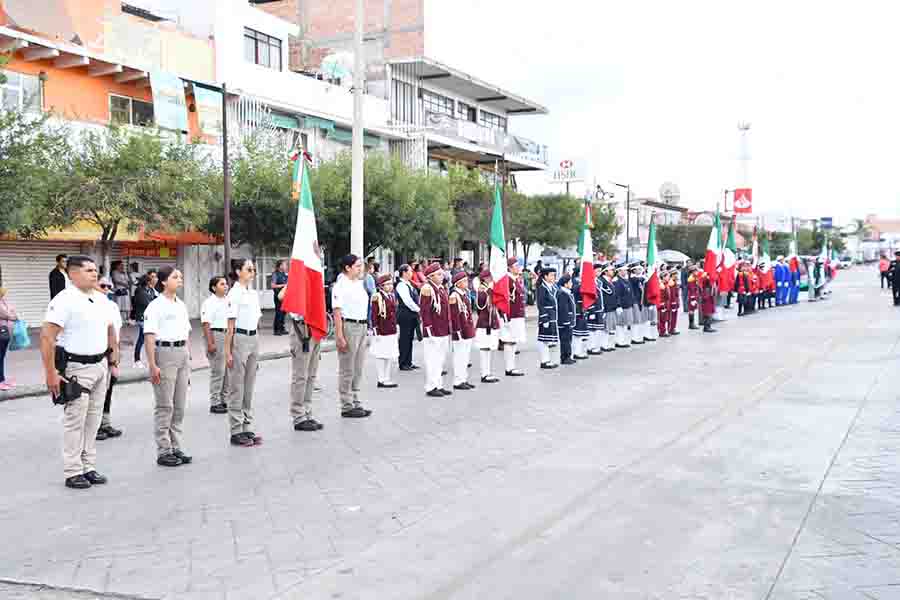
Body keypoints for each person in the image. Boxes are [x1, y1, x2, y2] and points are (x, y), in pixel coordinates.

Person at [41, 255, 119, 489]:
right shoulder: (64, 300)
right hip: (76, 368)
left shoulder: (100, 299)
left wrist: (113, 354)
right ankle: (73, 470)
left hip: (100, 365)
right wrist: (51, 373)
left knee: (93, 420)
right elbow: (47, 337)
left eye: (95, 270)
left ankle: (89, 466)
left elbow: (109, 327)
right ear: (73, 274)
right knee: (75, 420)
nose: (94, 274)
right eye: (88, 270)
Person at [143, 267, 192, 467]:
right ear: (163, 281)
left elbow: (186, 333)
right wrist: (152, 364)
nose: (179, 280)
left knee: (179, 405)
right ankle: (164, 450)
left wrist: (188, 359)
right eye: (175, 277)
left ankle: (176, 446)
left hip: (181, 354)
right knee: (165, 405)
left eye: (180, 276)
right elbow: (149, 336)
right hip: (164, 353)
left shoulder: (180, 304)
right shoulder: (155, 306)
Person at [225, 259, 265, 446]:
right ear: (238, 271)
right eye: (249, 269)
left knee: (249, 385)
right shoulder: (234, 293)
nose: (252, 272)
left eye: (254, 269)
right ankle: (236, 430)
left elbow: (256, 320)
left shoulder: (253, 293)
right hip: (239, 339)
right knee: (237, 387)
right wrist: (228, 352)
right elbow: (230, 326)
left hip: (253, 338)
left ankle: (246, 427)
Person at [332, 254, 374, 418]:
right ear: (347, 268)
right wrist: (339, 335)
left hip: (362, 325)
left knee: (358, 367)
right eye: (357, 266)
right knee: (347, 368)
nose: (360, 268)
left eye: (361, 266)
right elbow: (337, 311)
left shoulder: (359, 284)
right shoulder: (340, 285)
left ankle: (356, 400)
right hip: (349, 326)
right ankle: (346, 404)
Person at [94, 278, 123, 441]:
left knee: (108, 389)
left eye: (108, 286)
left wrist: (116, 358)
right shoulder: (91, 305)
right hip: (98, 352)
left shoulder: (112, 306)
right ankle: (94, 425)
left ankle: (105, 423)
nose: (106, 289)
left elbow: (116, 331)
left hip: (112, 351)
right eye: (102, 285)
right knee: (96, 392)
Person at [420, 262, 453, 397]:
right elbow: (425, 312)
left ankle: (438, 384)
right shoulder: (427, 289)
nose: (442, 276)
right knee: (432, 359)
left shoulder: (440, 288)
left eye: (441, 273)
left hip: (442, 329)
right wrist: (428, 330)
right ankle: (431, 386)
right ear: (430, 276)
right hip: (433, 330)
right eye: (439, 274)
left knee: (440, 360)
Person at [202, 276, 230, 414]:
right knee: (218, 371)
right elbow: (206, 324)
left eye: (226, 284)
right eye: (222, 284)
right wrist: (210, 343)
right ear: (214, 287)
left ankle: (224, 399)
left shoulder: (228, 301)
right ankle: (215, 402)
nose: (226, 286)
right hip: (216, 334)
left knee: (227, 371)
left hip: (228, 335)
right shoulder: (209, 302)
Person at [370, 273, 399, 389]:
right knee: (381, 355)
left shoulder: (391, 296)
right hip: (382, 330)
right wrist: (375, 329)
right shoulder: (377, 297)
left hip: (391, 329)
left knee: (389, 355)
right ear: (381, 286)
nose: (390, 286)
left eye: (391, 284)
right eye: (387, 284)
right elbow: (374, 315)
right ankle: (381, 379)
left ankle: (386, 378)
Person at [498, 258, 526, 377]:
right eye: (516, 265)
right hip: (510, 316)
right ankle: (509, 368)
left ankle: (512, 366)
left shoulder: (514, 280)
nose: (518, 267)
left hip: (517, 315)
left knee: (513, 341)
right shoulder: (507, 280)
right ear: (509, 267)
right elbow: (503, 300)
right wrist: (505, 317)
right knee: (509, 341)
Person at [449, 271, 476, 390]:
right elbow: (454, 317)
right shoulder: (454, 296)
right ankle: (458, 381)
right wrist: (457, 332)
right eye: (464, 281)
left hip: (467, 329)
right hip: (460, 332)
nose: (467, 283)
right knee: (459, 357)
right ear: (458, 284)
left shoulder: (464, 294)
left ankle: (463, 379)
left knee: (465, 357)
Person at [473, 270, 501, 383]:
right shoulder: (482, 291)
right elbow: (480, 306)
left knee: (488, 349)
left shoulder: (489, 290)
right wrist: (488, 291)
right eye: (489, 277)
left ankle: (487, 372)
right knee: (484, 348)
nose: (491, 279)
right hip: (485, 323)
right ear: (484, 279)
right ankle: (484, 374)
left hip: (491, 321)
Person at [395, 264, 420, 371]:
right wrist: (419, 309)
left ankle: (408, 362)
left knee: (409, 339)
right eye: (410, 271)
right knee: (404, 339)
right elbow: (408, 301)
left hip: (411, 314)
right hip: (405, 314)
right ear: (404, 273)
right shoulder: (401, 285)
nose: (411, 273)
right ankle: (403, 362)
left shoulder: (408, 283)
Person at [131, 270, 157, 368]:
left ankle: (141, 360)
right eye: (151, 280)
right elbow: (149, 304)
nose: (153, 281)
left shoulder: (148, 290)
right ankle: (137, 360)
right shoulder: (141, 291)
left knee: (146, 339)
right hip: (142, 318)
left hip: (147, 319)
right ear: (147, 282)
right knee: (142, 340)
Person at [536, 266, 560, 369]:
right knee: (544, 339)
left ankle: (548, 359)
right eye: (551, 275)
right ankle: (544, 361)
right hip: (546, 317)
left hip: (553, 316)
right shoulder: (542, 287)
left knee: (549, 339)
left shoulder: (554, 287)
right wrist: (544, 318)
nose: (554, 277)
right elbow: (540, 304)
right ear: (545, 276)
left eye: (554, 275)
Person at [556, 274, 576, 365]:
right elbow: (563, 309)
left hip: (568, 321)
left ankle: (567, 356)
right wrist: (566, 321)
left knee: (568, 339)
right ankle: (565, 357)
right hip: (564, 322)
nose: (571, 284)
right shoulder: (562, 293)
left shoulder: (567, 292)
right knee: (565, 340)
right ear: (565, 284)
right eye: (570, 282)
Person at [613, 263, 634, 348]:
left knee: (624, 324)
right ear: (619, 271)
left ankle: (622, 340)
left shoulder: (626, 280)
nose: (625, 271)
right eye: (623, 270)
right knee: (620, 325)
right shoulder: (617, 281)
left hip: (627, 305)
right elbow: (616, 294)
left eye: (625, 270)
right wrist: (618, 305)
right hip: (622, 306)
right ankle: (619, 341)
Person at [598, 263, 618, 351]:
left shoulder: (610, 281)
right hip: (606, 308)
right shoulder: (601, 281)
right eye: (610, 270)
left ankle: (607, 344)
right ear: (605, 272)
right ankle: (604, 345)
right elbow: (603, 296)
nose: (613, 271)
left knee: (609, 328)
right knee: (605, 328)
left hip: (611, 307)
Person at [0, 288, 17, 390]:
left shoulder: (3, 301)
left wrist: (12, 315)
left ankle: (3, 379)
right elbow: (7, 314)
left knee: (2, 357)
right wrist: (11, 316)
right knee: (0, 357)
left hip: (6, 333)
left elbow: (12, 313)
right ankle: (1, 381)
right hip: (1, 332)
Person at [571, 274, 590, 359]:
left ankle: (578, 351)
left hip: (581, 310)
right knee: (577, 334)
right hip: (578, 311)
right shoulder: (576, 285)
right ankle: (576, 352)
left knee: (580, 334)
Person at [628, 264, 647, 344]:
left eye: (640, 269)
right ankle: (634, 338)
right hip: (635, 301)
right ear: (634, 270)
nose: (640, 270)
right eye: (638, 269)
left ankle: (639, 336)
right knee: (636, 321)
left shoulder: (642, 278)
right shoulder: (632, 279)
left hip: (641, 300)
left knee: (640, 320)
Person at [271, 260, 289, 336]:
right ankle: (276, 330)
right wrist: (283, 285)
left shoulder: (285, 274)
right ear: (280, 266)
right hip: (278, 296)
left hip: (284, 296)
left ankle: (282, 328)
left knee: (283, 313)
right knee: (279, 313)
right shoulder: (275, 274)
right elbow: (273, 285)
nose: (286, 266)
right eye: (285, 265)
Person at [698, 268, 717, 333]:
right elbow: (703, 282)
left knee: (709, 313)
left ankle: (708, 326)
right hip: (706, 299)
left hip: (709, 298)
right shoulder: (704, 281)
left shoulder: (708, 285)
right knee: (707, 313)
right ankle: (706, 327)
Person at [667, 266, 681, 335]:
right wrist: (674, 302)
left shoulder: (674, 281)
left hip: (675, 301)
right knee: (672, 316)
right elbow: (672, 294)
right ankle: (671, 329)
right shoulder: (671, 282)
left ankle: (673, 328)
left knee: (674, 316)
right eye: (675, 274)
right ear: (672, 275)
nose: (677, 275)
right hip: (673, 302)